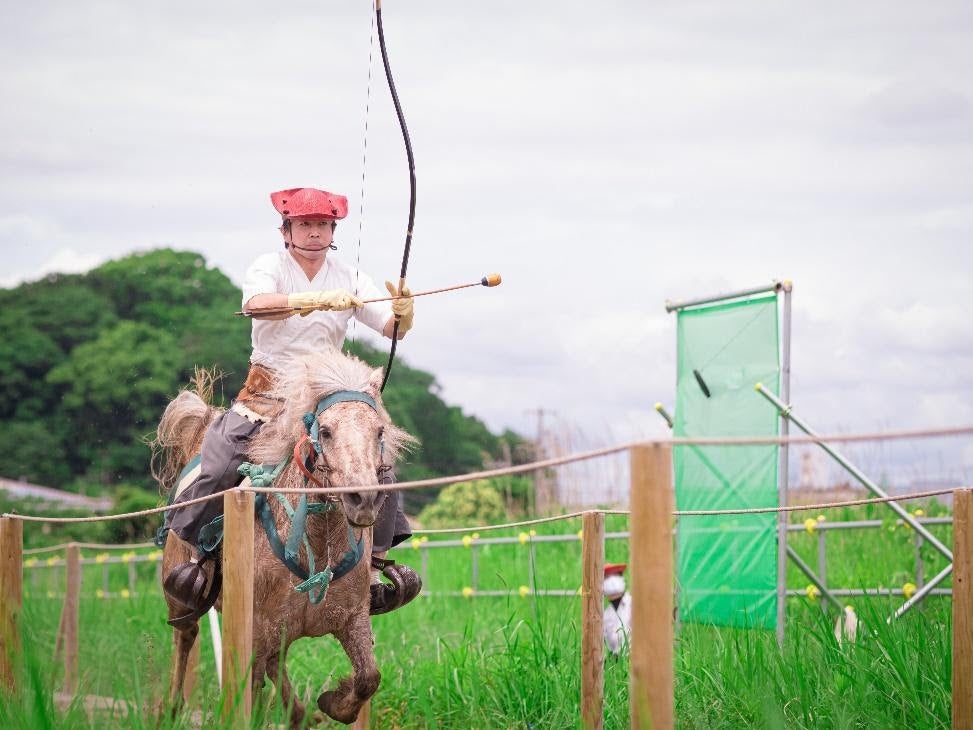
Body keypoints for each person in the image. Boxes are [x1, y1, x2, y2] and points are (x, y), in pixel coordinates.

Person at [164, 186, 419, 616]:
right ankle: (199, 557)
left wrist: (402, 313)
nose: (314, 232)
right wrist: (310, 300)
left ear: (333, 231)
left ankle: (374, 567)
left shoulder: (349, 275)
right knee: (222, 462)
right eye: (304, 224)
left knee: (378, 464)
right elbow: (257, 305)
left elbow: (389, 329)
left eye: (322, 224)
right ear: (287, 231)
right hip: (268, 396)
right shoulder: (269, 266)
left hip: (323, 397)